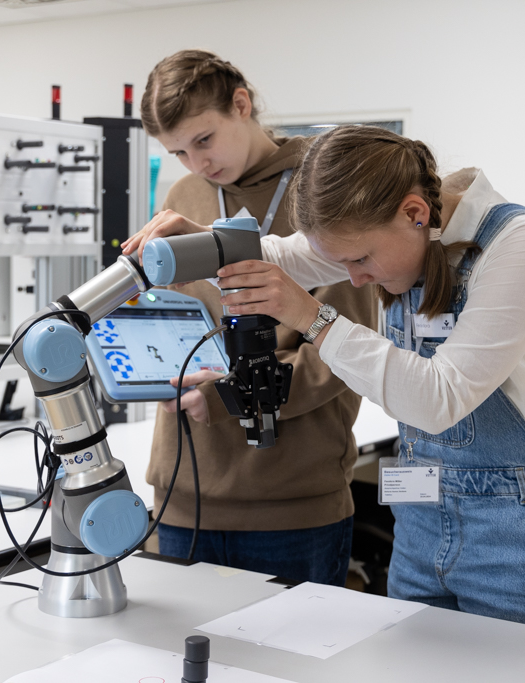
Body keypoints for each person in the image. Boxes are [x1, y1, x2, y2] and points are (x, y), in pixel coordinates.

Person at [125, 126, 525, 638]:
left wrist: (311, 315)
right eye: (341, 261)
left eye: (360, 260)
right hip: (423, 514)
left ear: (415, 213)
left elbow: (439, 399)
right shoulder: (402, 233)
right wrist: (203, 243)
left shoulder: (523, 246)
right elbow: (279, 255)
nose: (354, 279)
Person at [135, 50, 376, 585]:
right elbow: (181, 320)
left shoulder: (327, 184)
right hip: (183, 492)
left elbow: (346, 351)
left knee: (290, 667)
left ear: (241, 105)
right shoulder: (186, 193)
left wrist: (230, 396)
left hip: (290, 502)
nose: (197, 163)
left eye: (203, 140)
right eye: (177, 152)